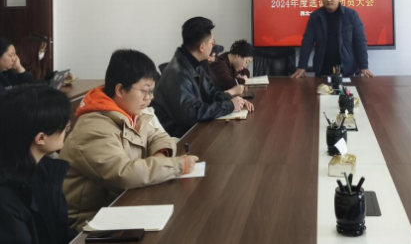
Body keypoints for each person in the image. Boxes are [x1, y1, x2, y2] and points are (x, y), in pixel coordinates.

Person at [59, 49, 199, 231]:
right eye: (145, 91)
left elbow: (159, 136)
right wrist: (178, 165)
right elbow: (124, 174)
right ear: (119, 89)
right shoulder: (93, 128)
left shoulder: (130, 112)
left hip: (123, 205)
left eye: (151, 91)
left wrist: (159, 158)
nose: (150, 98)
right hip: (89, 223)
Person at [151, 17, 253, 138]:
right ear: (202, 47)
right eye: (212, 43)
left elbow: (210, 94)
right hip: (178, 137)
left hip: (194, 129)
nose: (213, 45)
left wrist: (235, 100)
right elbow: (190, 114)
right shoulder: (178, 74)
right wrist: (229, 105)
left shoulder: (194, 64)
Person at [0, 84, 74, 244]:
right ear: (40, 138)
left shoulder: (42, 170)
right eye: (64, 126)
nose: (66, 131)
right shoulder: (6, 195)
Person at [292, 0, 375, 78]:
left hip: (347, 68)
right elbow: (307, 41)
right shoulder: (316, 16)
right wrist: (302, 66)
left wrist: (363, 66)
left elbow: (360, 41)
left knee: (347, 88)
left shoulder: (351, 15)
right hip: (323, 68)